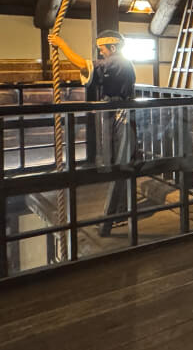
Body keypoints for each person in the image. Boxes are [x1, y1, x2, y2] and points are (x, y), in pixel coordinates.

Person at [48, 30, 137, 236]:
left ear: (112, 47)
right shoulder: (118, 62)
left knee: (121, 162)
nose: (101, 52)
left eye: (103, 49)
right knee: (118, 161)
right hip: (117, 114)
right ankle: (120, 212)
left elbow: (84, 65)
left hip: (122, 116)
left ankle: (115, 216)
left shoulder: (118, 62)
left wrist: (62, 44)